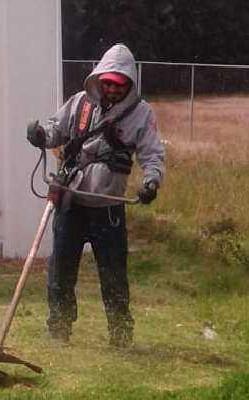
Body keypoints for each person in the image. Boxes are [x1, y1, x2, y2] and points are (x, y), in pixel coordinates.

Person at [26, 44, 165, 348]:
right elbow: (55, 130)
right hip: (70, 203)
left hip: (109, 209)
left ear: (129, 82)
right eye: (107, 82)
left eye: (119, 84)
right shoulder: (79, 103)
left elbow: (152, 156)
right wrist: (40, 135)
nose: (112, 89)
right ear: (99, 78)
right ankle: (59, 329)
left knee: (114, 277)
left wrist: (151, 183)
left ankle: (120, 333)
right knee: (60, 274)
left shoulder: (141, 114)